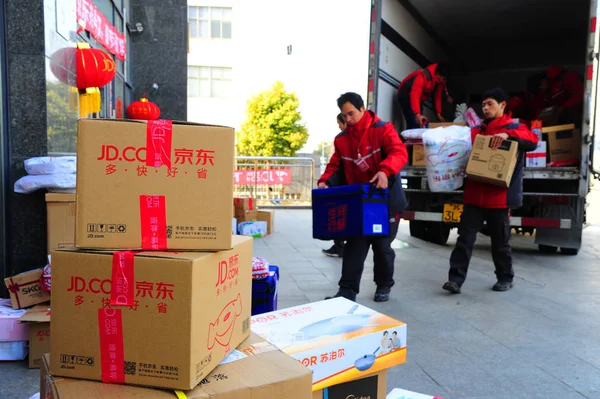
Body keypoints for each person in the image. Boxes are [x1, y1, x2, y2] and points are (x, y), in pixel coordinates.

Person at [443, 89, 538, 294]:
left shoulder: (515, 127)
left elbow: (532, 140)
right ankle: (455, 280)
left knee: (500, 243)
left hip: (498, 199)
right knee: (464, 241)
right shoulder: (478, 130)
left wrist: (507, 134)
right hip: (474, 197)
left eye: (490, 104)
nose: (485, 108)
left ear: (503, 105)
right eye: (483, 104)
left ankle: (505, 278)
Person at [318, 92, 408, 302]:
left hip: (384, 201)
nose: (347, 119)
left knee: (382, 246)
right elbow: (335, 166)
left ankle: (384, 285)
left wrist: (385, 171)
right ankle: (347, 291)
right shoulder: (342, 139)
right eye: (344, 115)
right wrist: (325, 181)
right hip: (359, 201)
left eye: (351, 114)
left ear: (362, 109)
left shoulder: (383, 129)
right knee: (354, 246)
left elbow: (399, 152)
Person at [397, 63, 452, 130]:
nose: (444, 81)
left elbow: (437, 96)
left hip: (418, 99)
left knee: (420, 124)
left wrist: (438, 114)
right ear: (438, 74)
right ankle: (407, 139)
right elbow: (415, 94)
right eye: (444, 79)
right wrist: (417, 114)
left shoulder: (440, 81)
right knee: (414, 123)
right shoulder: (423, 75)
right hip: (406, 94)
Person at [322, 113, 347, 258]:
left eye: (340, 123)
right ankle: (339, 246)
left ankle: (339, 247)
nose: (339, 127)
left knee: (338, 217)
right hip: (341, 185)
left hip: (342, 187)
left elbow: (336, 166)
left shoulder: (344, 139)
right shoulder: (341, 139)